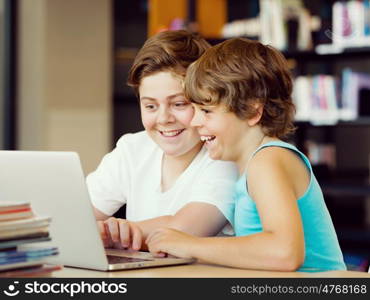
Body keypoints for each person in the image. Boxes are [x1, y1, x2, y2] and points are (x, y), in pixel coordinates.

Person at [146, 37, 347, 272]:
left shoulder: (267, 161)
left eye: (207, 111)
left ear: (252, 111)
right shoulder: (254, 164)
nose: (195, 120)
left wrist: (190, 245)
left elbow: (285, 253)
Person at [86, 30, 238, 251]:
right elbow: (77, 216)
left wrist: (118, 232)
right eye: (150, 106)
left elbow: (182, 230)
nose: (164, 119)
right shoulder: (133, 149)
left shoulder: (224, 157)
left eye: (178, 104)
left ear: (206, 99)